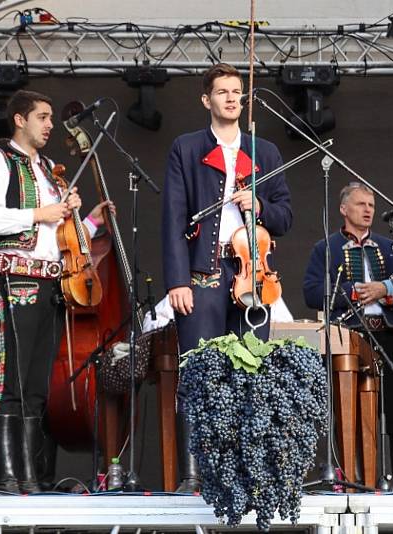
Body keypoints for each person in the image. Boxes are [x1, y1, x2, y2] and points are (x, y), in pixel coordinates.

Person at [0, 89, 111, 493]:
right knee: (7, 384)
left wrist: (91, 223)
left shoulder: (49, 169)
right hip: (9, 283)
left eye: (50, 117)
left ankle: (30, 477)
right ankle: (6, 477)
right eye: (43, 117)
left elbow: (59, 237)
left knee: (35, 389)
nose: (50, 125)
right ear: (19, 119)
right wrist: (42, 212)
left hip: (49, 283)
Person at [161, 63, 292, 492]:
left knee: (250, 374)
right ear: (207, 100)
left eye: (237, 91)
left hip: (253, 275)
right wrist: (178, 279)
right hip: (203, 272)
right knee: (200, 371)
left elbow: (286, 216)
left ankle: (242, 475)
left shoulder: (265, 151)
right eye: (223, 92)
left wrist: (261, 208)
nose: (232, 98)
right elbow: (173, 217)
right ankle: (194, 475)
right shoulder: (186, 147)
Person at [302, 182, 393, 489]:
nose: (368, 210)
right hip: (349, 338)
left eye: (371, 205)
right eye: (361, 204)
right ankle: (354, 480)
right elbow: (312, 292)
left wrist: (386, 289)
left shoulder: (389, 246)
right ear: (344, 209)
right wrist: (352, 292)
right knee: (349, 411)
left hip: (387, 336)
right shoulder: (325, 248)